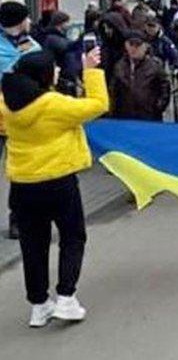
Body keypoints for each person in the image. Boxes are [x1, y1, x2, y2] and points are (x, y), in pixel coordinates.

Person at [1, 47, 108, 327]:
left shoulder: (6, 103)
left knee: (32, 244)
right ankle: (66, 298)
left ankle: (39, 304)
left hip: (22, 184)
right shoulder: (54, 105)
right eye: (55, 68)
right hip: (58, 181)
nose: (59, 70)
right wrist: (91, 70)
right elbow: (98, 104)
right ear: (44, 75)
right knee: (72, 237)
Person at [0, 1, 41, 241]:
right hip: (4, 116)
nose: (30, 21)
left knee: (19, 172)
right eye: (27, 17)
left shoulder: (30, 45)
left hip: (22, 116)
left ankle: (18, 219)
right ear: (19, 21)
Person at [109, 31, 171, 121]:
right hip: (123, 117)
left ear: (145, 47)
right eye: (131, 44)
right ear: (126, 45)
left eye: (138, 45)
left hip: (148, 117)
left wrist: (158, 107)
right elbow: (113, 90)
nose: (134, 48)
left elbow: (165, 88)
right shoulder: (119, 66)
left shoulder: (155, 66)